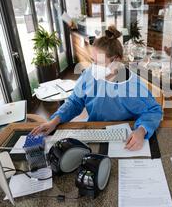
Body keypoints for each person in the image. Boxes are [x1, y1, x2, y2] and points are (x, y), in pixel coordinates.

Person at [31, 26, 162, 151]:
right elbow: (75, 101)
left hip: (125, 136)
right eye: (92, 60)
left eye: (98, 62)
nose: (94, 66)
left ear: (116, 59)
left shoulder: (133, 85)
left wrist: (141, 130)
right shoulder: (89, 75)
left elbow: (153, 111)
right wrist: (55, 121)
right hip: (94, 130)